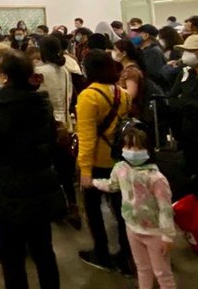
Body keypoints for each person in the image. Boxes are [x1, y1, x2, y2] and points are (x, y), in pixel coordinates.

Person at [0, 50, 66, 289]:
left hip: (6, 189)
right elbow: (52, 141)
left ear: (4, 76)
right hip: (41, 185)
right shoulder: (41, 103)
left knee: (11, 258)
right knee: (44, 252)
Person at [92, 128, 177, 289]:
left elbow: (165, 208)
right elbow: (112, 185)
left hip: (154, 232)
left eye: (138, 147)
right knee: (142, 268)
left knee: (162, 273)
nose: (132, 151)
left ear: (147, 150)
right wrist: (95, 183)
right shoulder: (120, 168)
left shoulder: (156, 178)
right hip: (132, 228)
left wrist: (167, 236)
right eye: (128, 146)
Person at [76, 49, 133, 273]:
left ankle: (101, 253)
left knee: (93, 210)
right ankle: (126, 256)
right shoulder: (123, 93)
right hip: (119, 159)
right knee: (121, 210)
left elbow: (87, 137)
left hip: (97, 162)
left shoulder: (88, 96)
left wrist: (84, 170)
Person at [36, 36, 81, 230]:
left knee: (47, 169)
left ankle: (54, 208)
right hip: (65, 125)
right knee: (65, 170)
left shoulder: (39, 72)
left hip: (46, 126)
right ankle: (73, 206)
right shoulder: (65, 71)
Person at [167, 35, 198, 191]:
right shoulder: (185, 73)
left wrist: (185, 101)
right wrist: (191, 105)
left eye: (191, 51)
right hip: (187, 132)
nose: (186, 54)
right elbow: (171, 100)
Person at [112, 39, 146, 119]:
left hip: (129, 113)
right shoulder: (126, 69)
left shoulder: (131, 71)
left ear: (124, 53)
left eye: (115, 50)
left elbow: (131, 94)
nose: (113, 52)